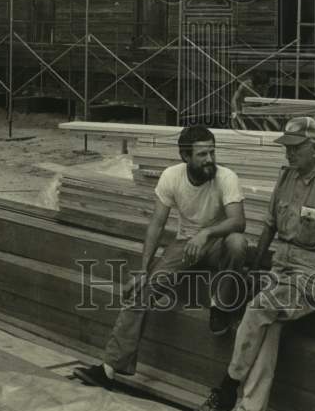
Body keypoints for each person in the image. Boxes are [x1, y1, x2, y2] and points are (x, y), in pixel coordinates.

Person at [199, 115, 315, 411]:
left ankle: (226, 388)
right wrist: (252, 269)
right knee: (269, 326)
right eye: (287, 148)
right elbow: (270, 224)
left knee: (259, 309)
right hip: (283, 268)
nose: (289, 154)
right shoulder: (287, 175)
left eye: (296, 148)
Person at [73, 124, 249, 390]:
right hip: (185, 245)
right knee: (143, 289)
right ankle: (110, 368)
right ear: (185, 156)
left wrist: (207, 234)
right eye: (202, 154)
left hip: (216, 244)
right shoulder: (171, 176)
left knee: (238, 243)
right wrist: (144, 269)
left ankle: (222, 305)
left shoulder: (226, 177)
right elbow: (156, 224)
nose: (210, 159)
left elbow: (238, 221)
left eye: (212, 152)